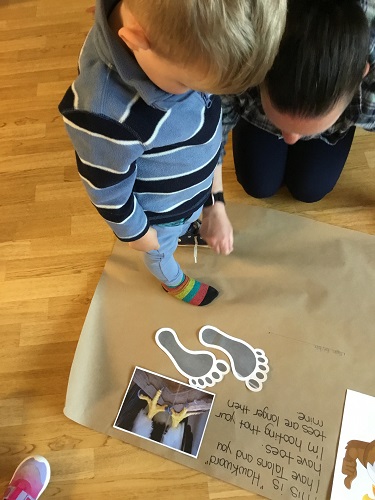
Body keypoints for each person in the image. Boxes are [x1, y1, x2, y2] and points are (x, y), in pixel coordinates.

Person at [59, 0, 286, 305]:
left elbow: (207, 124)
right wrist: (138, 234)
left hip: (194, 186)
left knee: (189, 216)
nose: (202, 94)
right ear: (135, 41)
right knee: (160, 252)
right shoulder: (105, 115)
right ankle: (173, 282)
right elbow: (107, 189)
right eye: (188, 83)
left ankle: (190, 221)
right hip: (159, 219)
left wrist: (214, 200)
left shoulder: (178, 52)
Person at [221, 0, 375, 203]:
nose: (291, 139)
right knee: (258, 185)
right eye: (280, 121)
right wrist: (214, 200)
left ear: (360, 79)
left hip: (334, 125)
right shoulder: (239, 39)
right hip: (254, 105)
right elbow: (217, 120)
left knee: (309, 189)